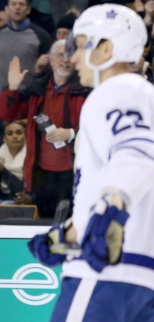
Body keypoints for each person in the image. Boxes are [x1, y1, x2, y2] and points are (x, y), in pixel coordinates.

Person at [27, 5, 154, 322]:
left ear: (107, 48)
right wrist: (68, 235)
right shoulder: (148, 98)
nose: (74, 56)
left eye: (80, 45)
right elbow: (133, 175)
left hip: (108, 272)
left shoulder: (114, 92)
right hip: (144, 277)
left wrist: (111, 212)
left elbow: (136, 159)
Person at [0, 39, 87, 218]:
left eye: (70, 55)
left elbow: (97, 130)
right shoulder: (37, 89)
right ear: (52, 60)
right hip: (41, 174)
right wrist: (13, 88)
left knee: (72, 222)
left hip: (72, 173)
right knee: (43, 225)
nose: (65, 59)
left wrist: (70, 134)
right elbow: (8, 114)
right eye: (61, 55)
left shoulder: (85, 90)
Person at [0, 0, 54, 91]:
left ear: (28, 9)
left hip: (27, 97)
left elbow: (50, 68)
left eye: (21, 4)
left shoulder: (41, 36)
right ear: (7, 9)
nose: (17, 7)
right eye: (13, 4)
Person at [0, 121, 25, 204]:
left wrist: (3, 171)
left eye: (19, 133)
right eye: (10, 134)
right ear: (4, 139)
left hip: (21, 199)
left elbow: (21, 189)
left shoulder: (31, 157)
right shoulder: (1, 153)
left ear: (25, 136)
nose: (15, 136)